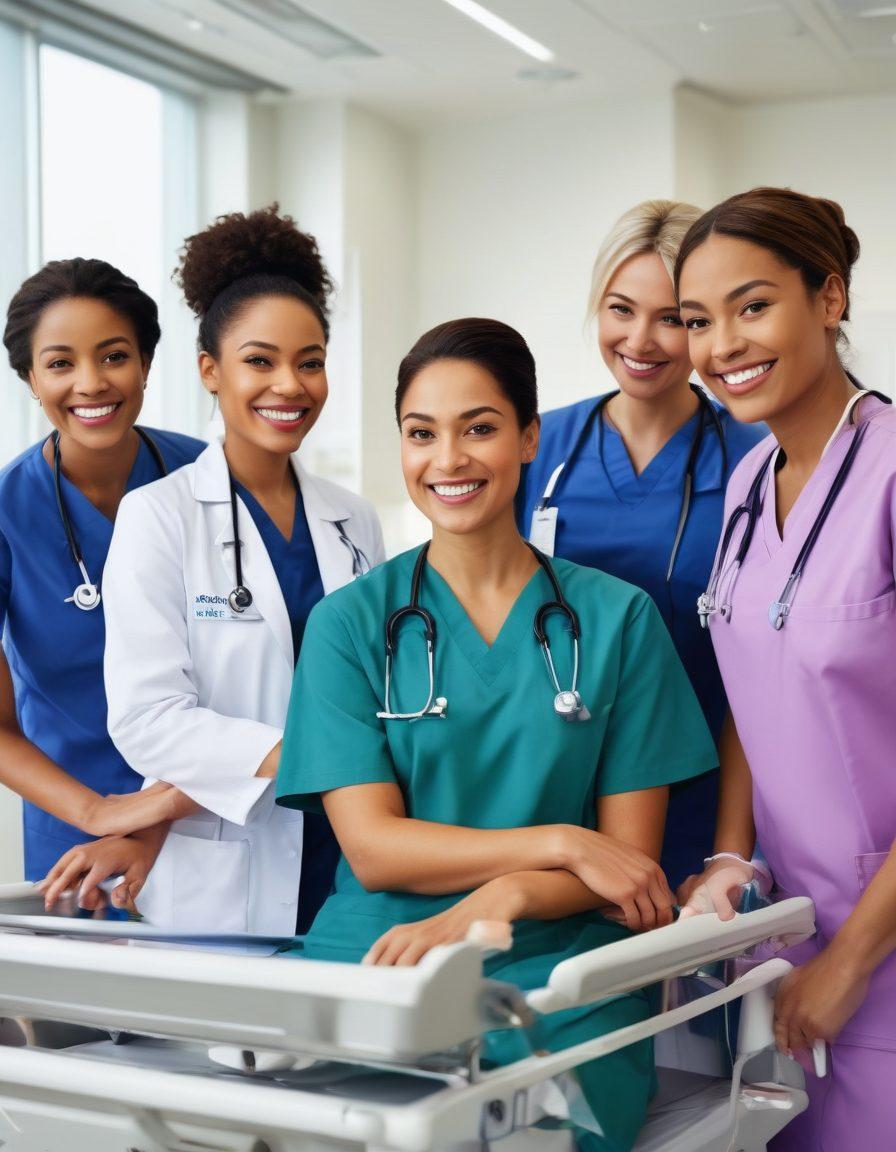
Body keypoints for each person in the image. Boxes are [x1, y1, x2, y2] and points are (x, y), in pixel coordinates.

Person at [274, 318, 717, 1150]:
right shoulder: (348, 626)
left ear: (527, 440)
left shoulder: (617, 619)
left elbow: (624, 868)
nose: (448, 460)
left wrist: (508, 892)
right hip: (380, 954)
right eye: (421, 434)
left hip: (559, 964)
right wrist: (559, 839)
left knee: (536, 1121)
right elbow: (373, 850)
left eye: (478, 428)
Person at [41, 206, 384, 934]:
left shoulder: (354, 521)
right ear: (210, 370)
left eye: (311, 361)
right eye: (260, 361)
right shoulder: (158, 514)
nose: (289, 385)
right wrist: (314, 756)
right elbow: (148, 720)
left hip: (355, 850)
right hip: (227, 868)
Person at [675, 187, 896, 1151]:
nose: (722, 343)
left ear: (830, 298)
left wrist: (849, 963)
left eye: (752, 305)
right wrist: (730, 858)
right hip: (785, 946)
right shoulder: (745, 481)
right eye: (698, 319)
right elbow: (753, 691)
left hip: (875, 948)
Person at [517, 201, 765, 888]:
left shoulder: (756, 463)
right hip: (547, 795)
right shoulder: (536, 447)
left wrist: (729, 851)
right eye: (622, 310)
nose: (642, 340)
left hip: (704, 795)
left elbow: (763, 674)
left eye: (674, 319)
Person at [0, 258, 204, 881]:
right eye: (61, 363)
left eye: (114, 356)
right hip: (78, 837)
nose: (90, 383)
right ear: (31, 378)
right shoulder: (8, 512)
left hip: (210, 811)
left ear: (145, 362)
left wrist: (164, 808)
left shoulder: (208, 478)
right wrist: (97, 812)